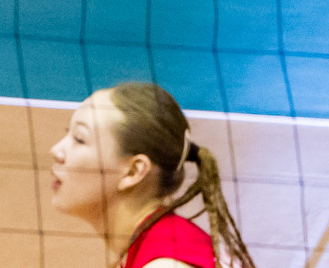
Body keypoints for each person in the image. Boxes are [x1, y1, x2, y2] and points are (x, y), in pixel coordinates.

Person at [50, 83, 257, 268]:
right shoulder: (161, 241)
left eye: (79, 139)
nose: (56, 151)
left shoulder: (166, 263)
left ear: (133, 171)